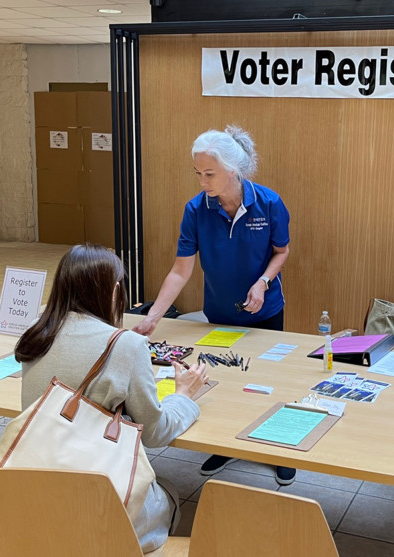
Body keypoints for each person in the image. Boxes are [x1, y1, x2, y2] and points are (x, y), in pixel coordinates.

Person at [16, 244, 209, 554]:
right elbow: (156, 432)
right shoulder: (127, 346)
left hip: (36, 498)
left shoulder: (37, 334)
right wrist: (183, 396)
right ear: (116, 291)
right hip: (102, 511)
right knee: (169, 494)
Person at [132, 125, 295, 485]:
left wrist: (263, 282)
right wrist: (153, 316)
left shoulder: (269, 203)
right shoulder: (196, 209)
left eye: (210, 174)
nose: (203, 181)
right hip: (219, 312)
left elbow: (281, 252)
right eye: (198, 173)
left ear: (233, 170)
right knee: (224, 379)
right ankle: (226, 445)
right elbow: (181, 269)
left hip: (265, 311)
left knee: (269, 380)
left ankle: (277, 449)